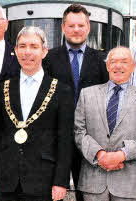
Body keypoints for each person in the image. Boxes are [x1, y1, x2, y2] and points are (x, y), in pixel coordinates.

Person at [0, 26, 74, 201]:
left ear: (44, 51)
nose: (27, 52)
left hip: (43, 181)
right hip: (5, 181)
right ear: (16, 51)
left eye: (34, 46)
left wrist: (61, 181)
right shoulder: (3, 88)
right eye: (22, 46)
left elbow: (65, 140)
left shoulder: (61, 91)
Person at [74, 47, 136, 201]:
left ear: (133, 66)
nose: (118, 66)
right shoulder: (87, 94)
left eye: (124, 62)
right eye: (113, 61)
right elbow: (78, 131)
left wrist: (121, 155)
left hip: (130, 183)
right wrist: (100, 155)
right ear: (107, 66)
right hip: (94, 182)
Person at [42, 4, 108, 200]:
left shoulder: (101, 59)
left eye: (81, 25)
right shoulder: (49, 59)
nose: (76, 30)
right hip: (55, 137)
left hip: (90, 138)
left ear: (88, 27)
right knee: (52, 192)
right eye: (71, 26)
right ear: (63, 27)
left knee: (87, 194)